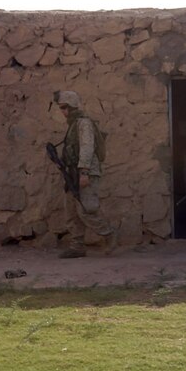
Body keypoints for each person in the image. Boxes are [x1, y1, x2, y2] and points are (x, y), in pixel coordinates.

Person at [53, 90, 115, 258]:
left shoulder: (83, 123)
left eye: (64, 107)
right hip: (72, 173)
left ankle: (108, 235)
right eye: (61, 108)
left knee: (86, 210)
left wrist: (84, 172)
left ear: (72, 106)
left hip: (84, 172)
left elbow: (87, 147)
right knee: (71, 212)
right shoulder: (73, 125)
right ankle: (77, 246)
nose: (63, 111)